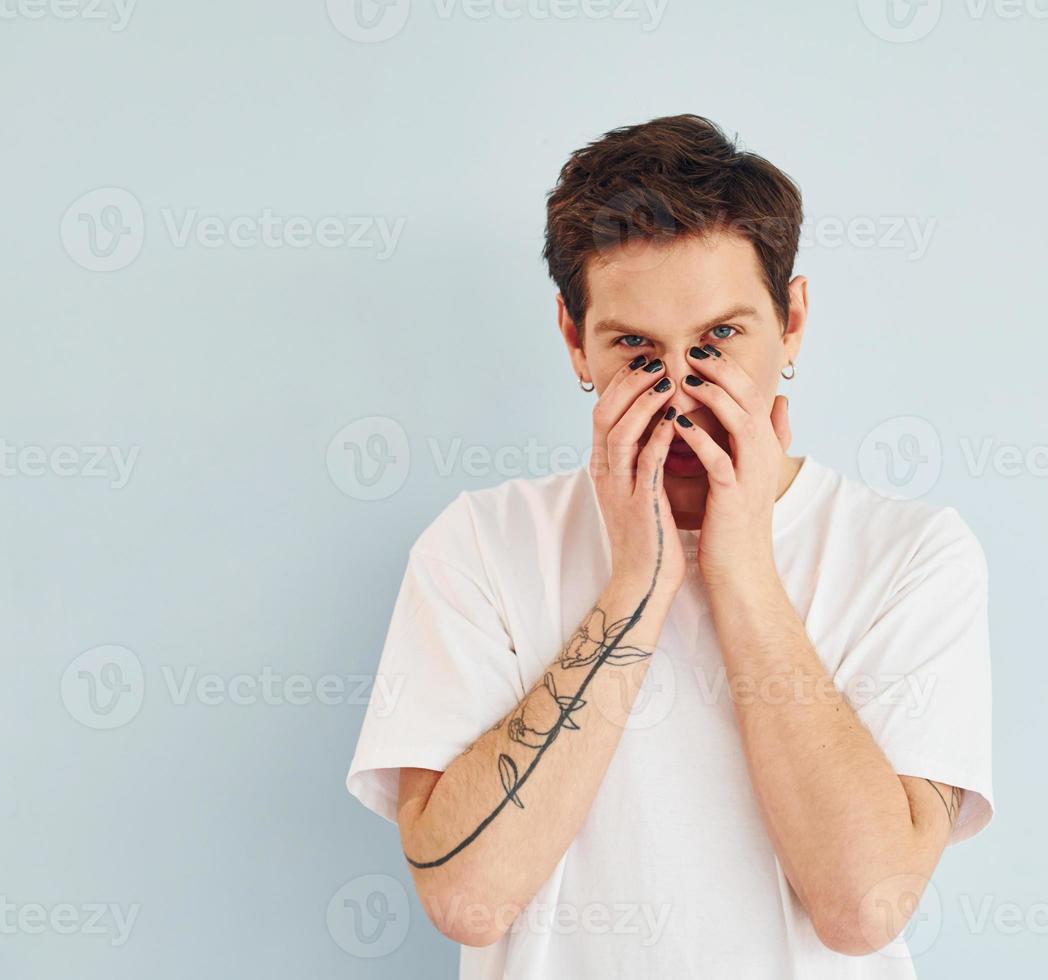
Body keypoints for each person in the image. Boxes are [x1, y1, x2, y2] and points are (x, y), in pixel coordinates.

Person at [345, 113, 994, 978]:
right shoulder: (478, 545)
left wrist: (742, 571)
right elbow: (467, 898)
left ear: (791, 321)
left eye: (721, 339)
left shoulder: (912, 555)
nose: (684, 394)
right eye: (636, 350)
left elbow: (862, 906)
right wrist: (639, 586)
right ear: (575, 340)